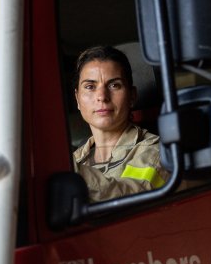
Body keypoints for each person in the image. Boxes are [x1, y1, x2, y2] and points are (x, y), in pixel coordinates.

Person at [72, 46, 169, 202]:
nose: (102, 97)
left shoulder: (157, 153)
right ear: (77, 99)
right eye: (90, 87)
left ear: (132, 96)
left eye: (114, 85)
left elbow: (129, 199)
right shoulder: (74, 159)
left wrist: (69, 172)